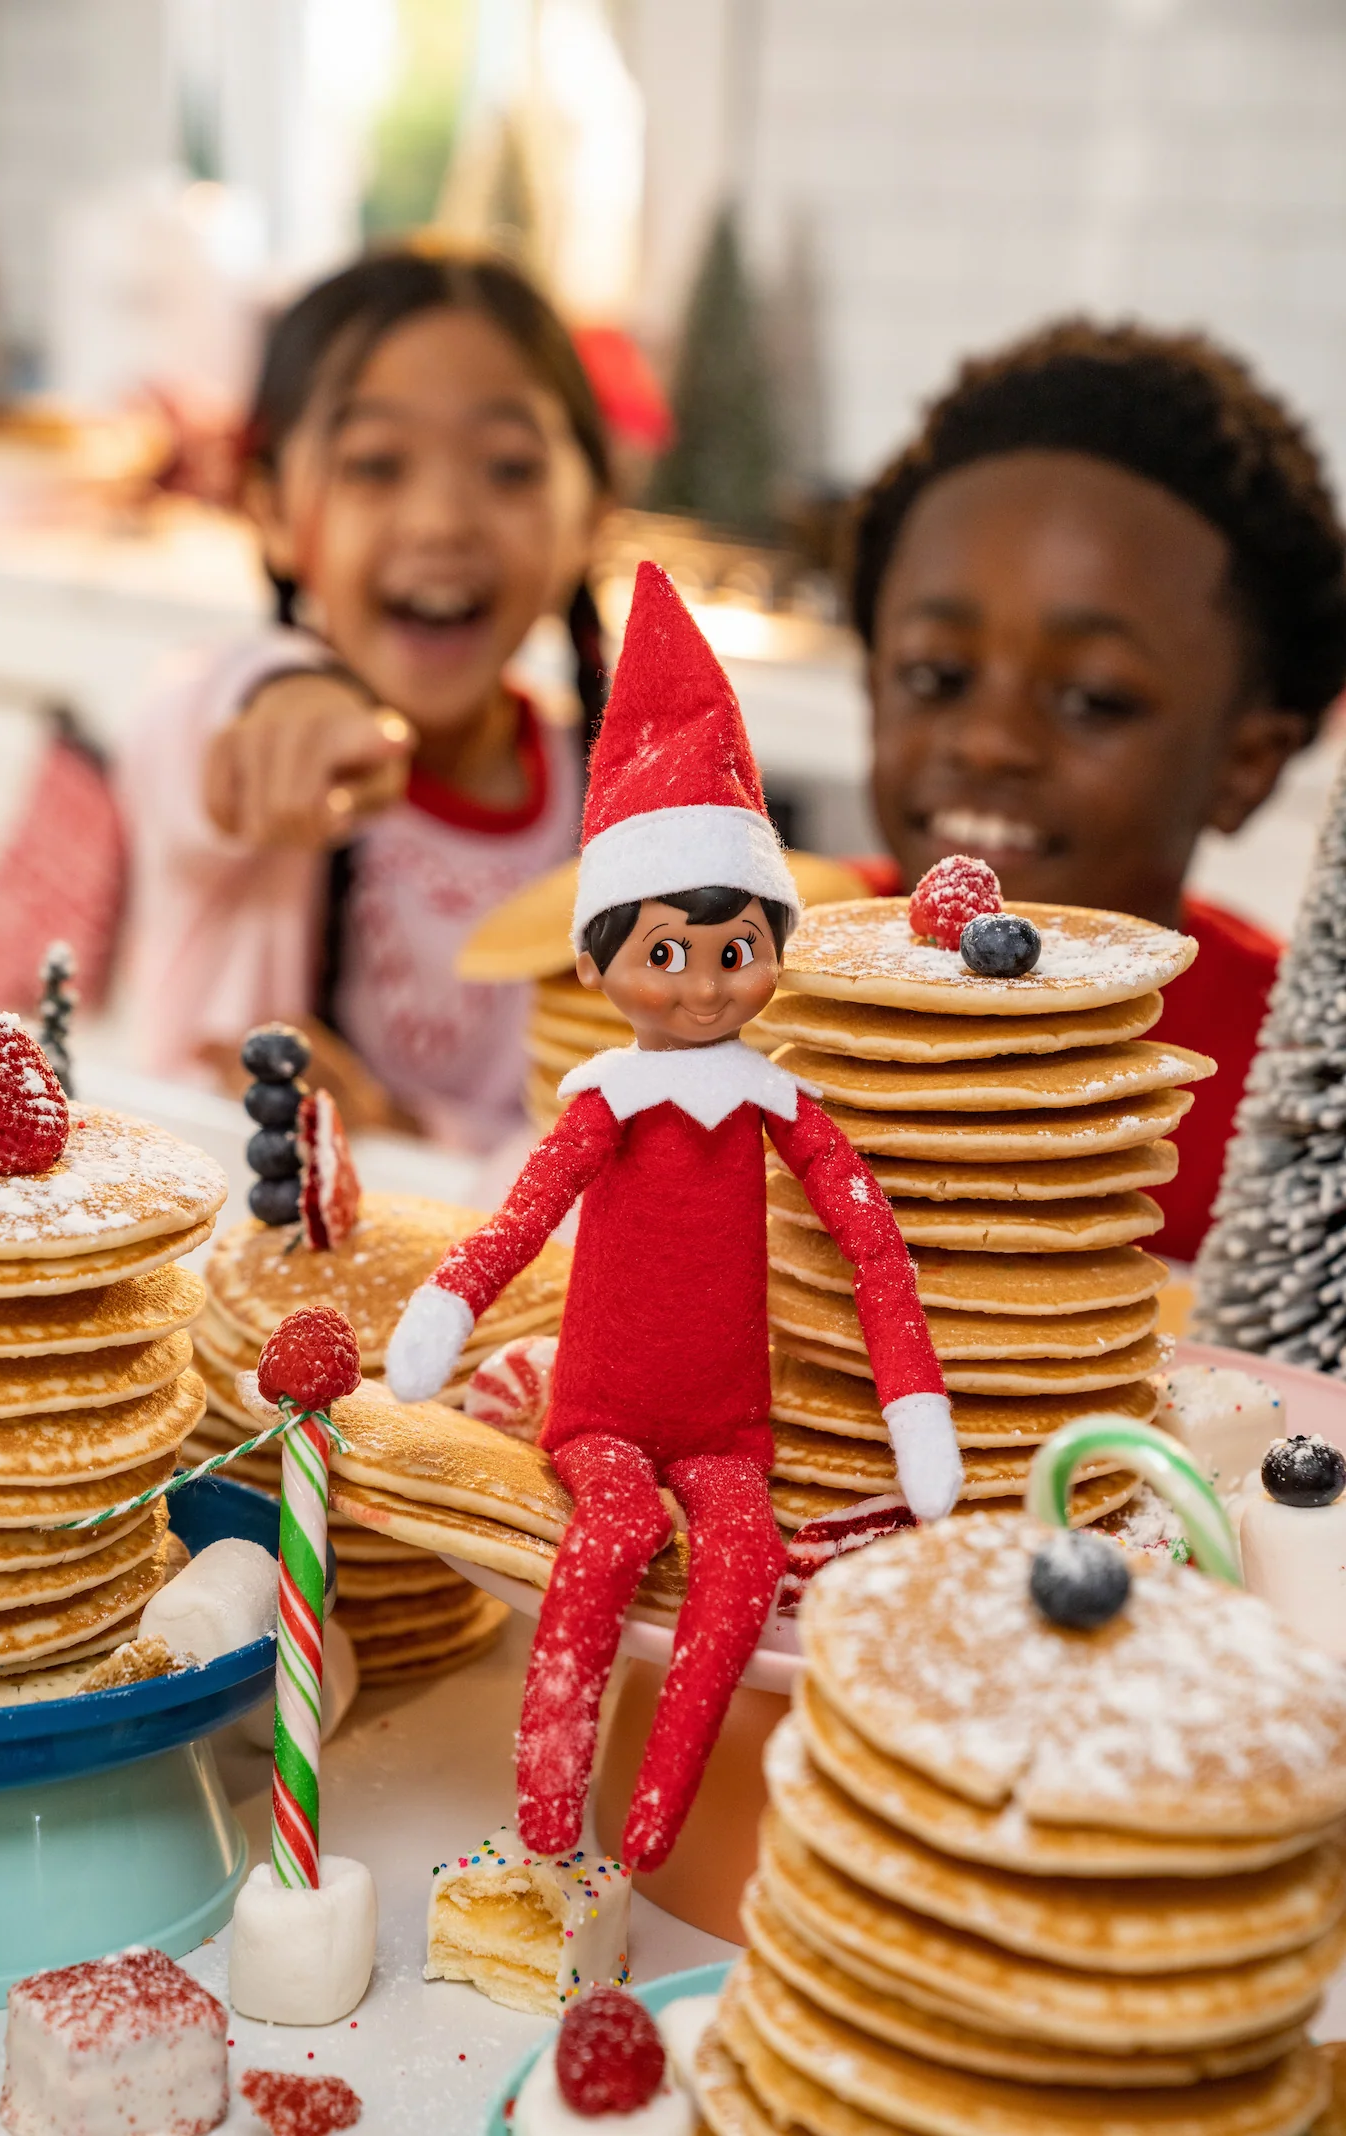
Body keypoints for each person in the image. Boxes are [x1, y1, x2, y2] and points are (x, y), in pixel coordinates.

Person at [385, 563, 958, 1871]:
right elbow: (521, 1219)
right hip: (597, 1413)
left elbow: (874, 1249)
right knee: (611, 1535)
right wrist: (448, 1304)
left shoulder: (783, 1107)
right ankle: (545, 1821)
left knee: (743, 1563)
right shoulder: (605, 1103)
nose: (700, 986)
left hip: (727, 1427)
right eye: (663, 954)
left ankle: (649, 1830)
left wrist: (912, 1410)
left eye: (732, 950)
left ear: (773, 949)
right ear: (596, 963)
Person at [845, 319, 1346, 1260]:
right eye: (936, 676)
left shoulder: (1304, 1092)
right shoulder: (752, 969)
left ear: (1248, 762)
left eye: (1092, 699)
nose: (990, 741)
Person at [122, 243, 610, 1148]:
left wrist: (401, 1135)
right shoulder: (241, 745)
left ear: (593, 514)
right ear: (266, 509)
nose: (440, 521)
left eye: (508, 468)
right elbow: (179, 730)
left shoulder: (615, 829)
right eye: (376, 464)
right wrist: (280, 699)